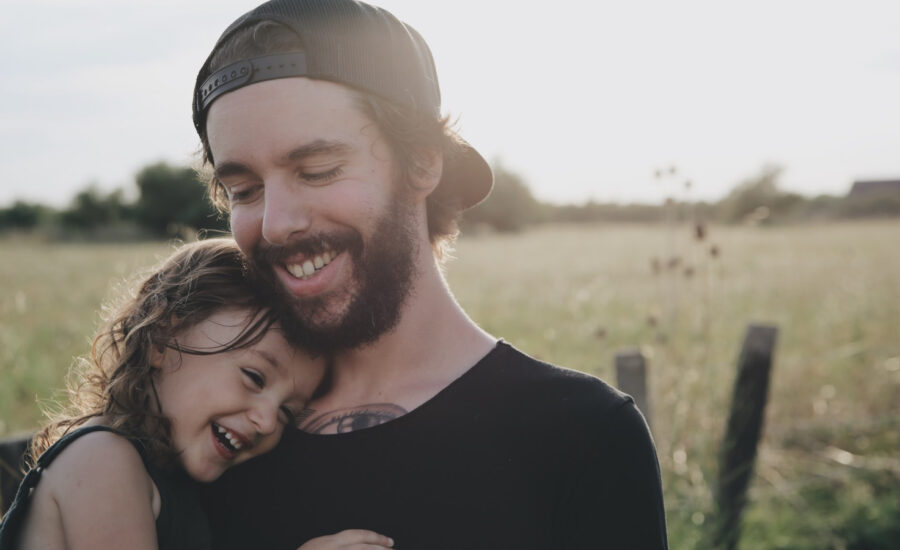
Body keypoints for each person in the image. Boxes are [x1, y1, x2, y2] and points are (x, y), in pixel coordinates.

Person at [193, 1, 668, 548]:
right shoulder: (216, 432)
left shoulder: (581, 435)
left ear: (422, 163)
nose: (275, 224)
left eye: (317, 171)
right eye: (244, 190)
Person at [0, 239, 394, 550]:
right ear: (161, 337)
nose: (267, 419)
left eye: (287, 413)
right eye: (255, 377)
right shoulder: (103, 460)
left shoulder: (170, 480)